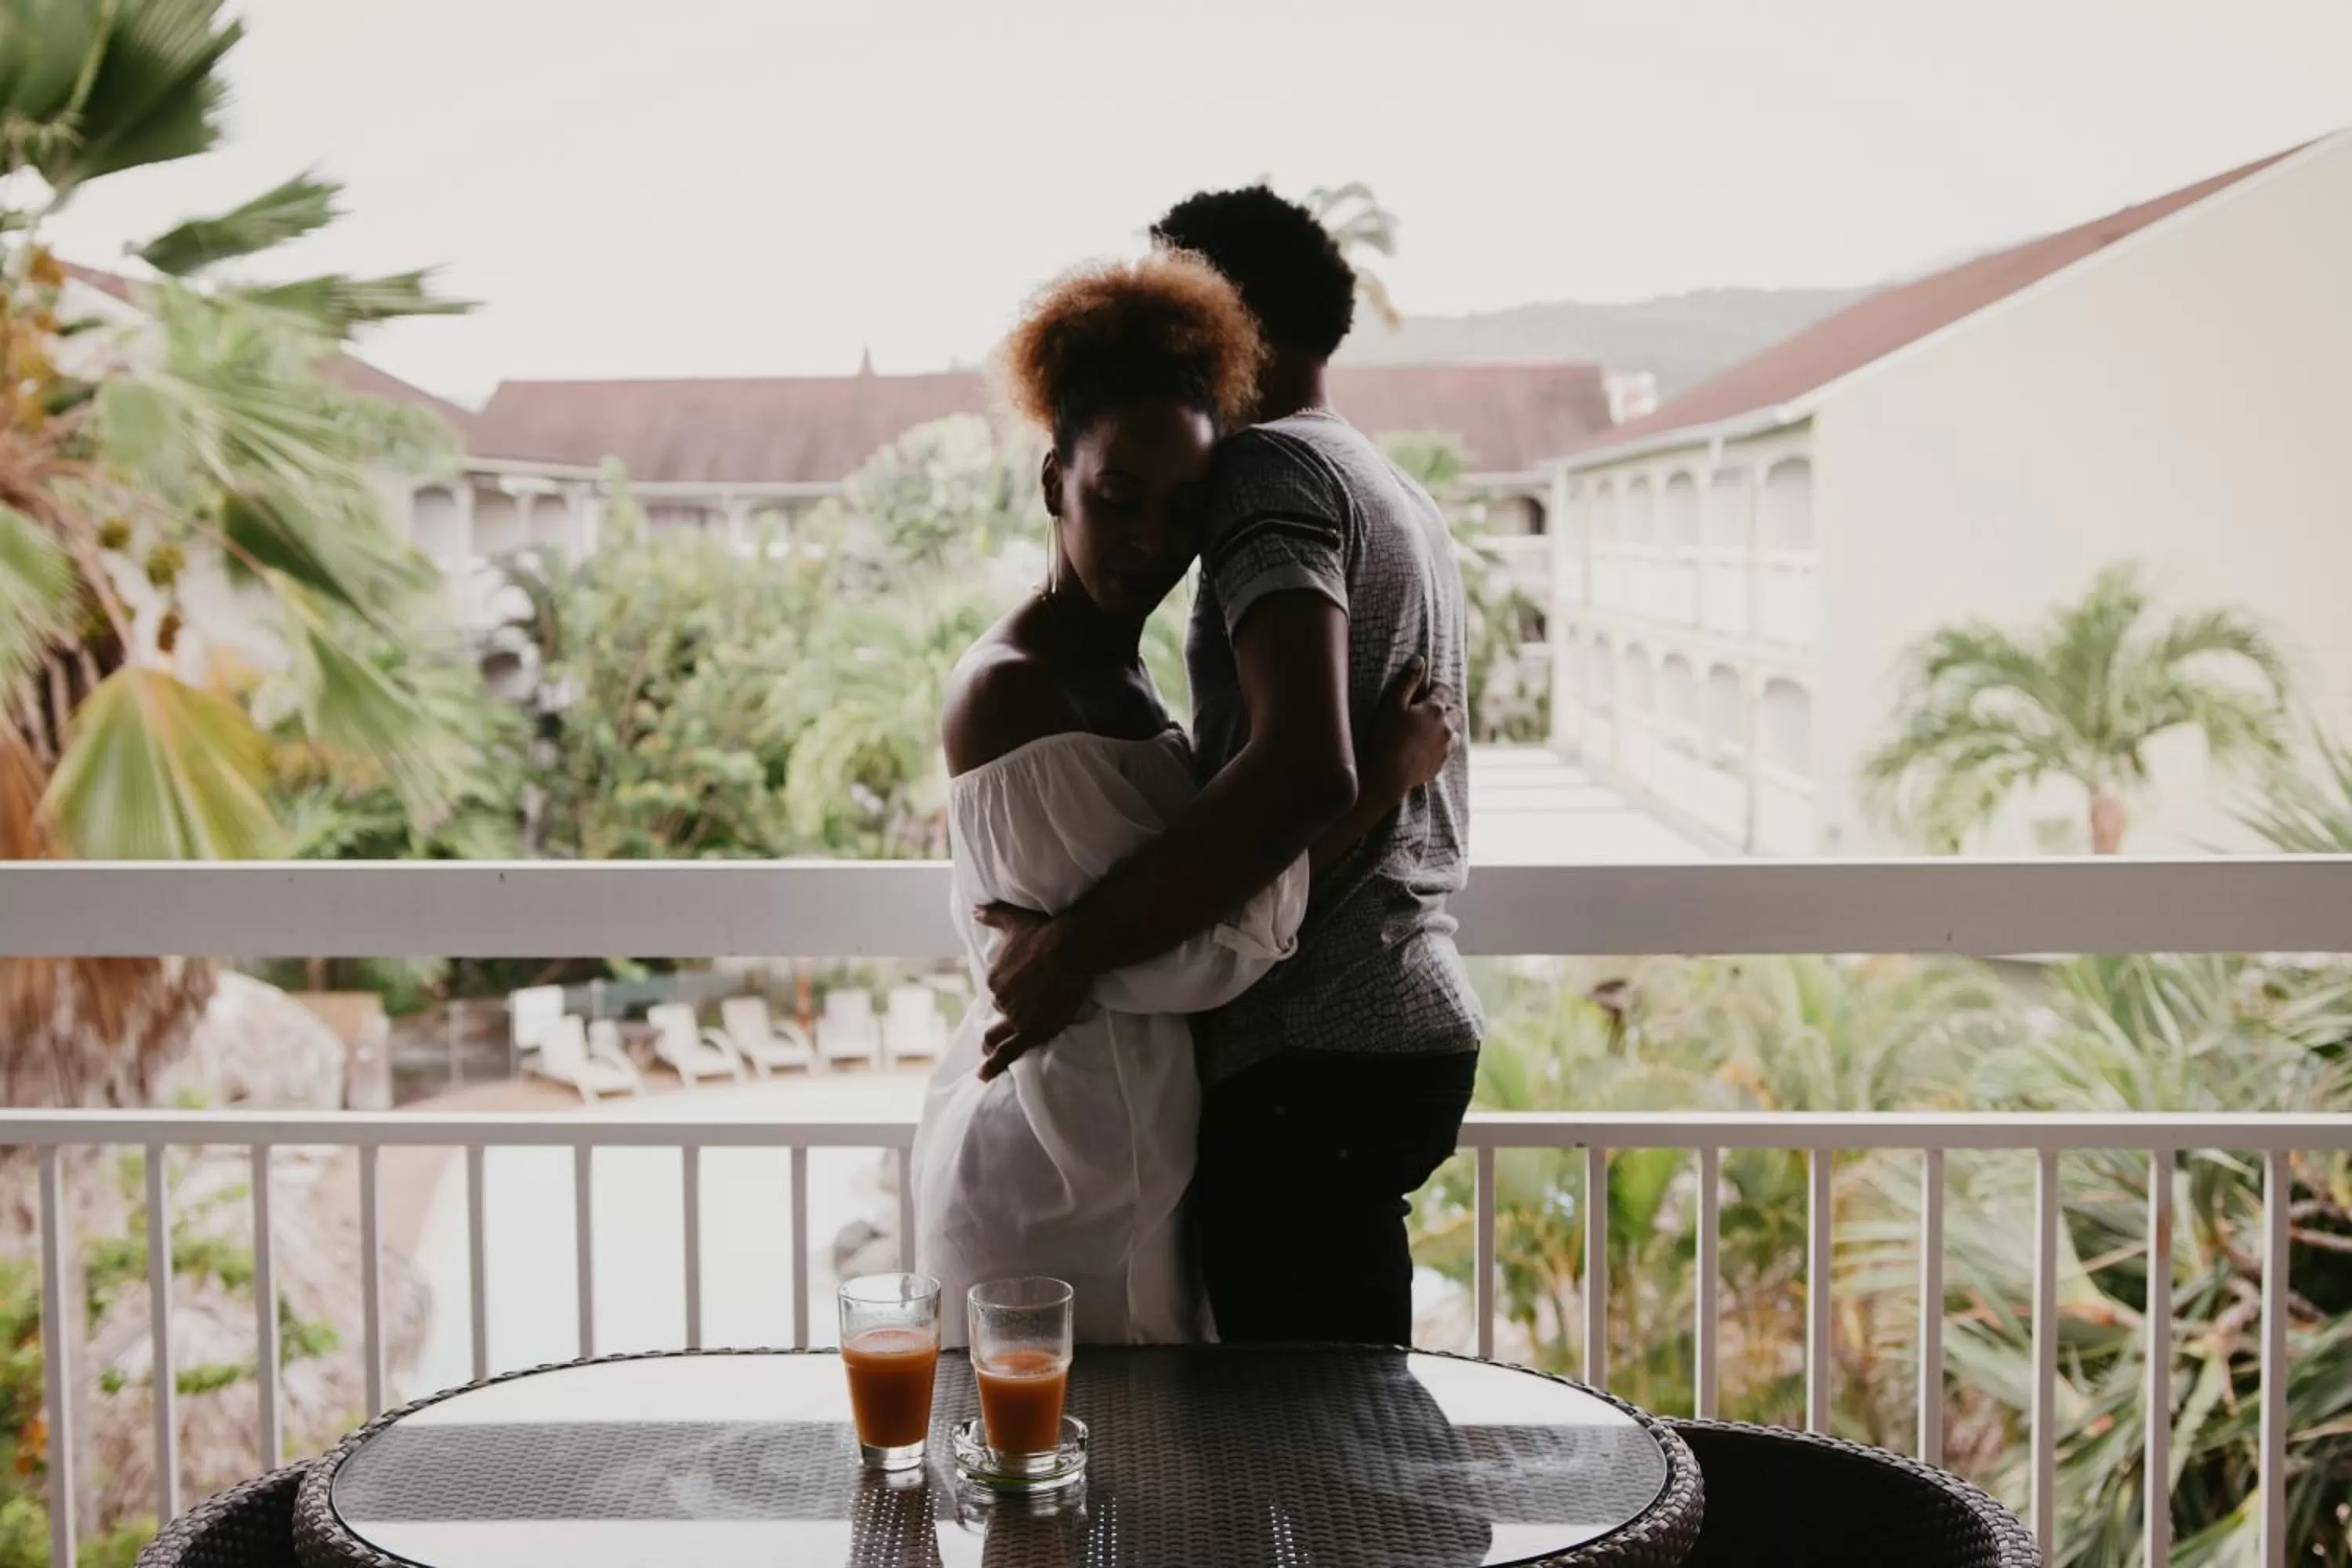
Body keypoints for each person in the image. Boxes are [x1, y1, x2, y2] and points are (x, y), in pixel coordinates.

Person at [910, 252, 1459, 1345]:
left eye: (1185, 509)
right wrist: (1377, 783)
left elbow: (1189, 907)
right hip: (1052, 1185)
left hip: (1124, 1176)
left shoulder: (1117, 675)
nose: (1150, 542)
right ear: (1054, 481)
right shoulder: (1015, 688)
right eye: (1117, 499)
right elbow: (1200, 951)